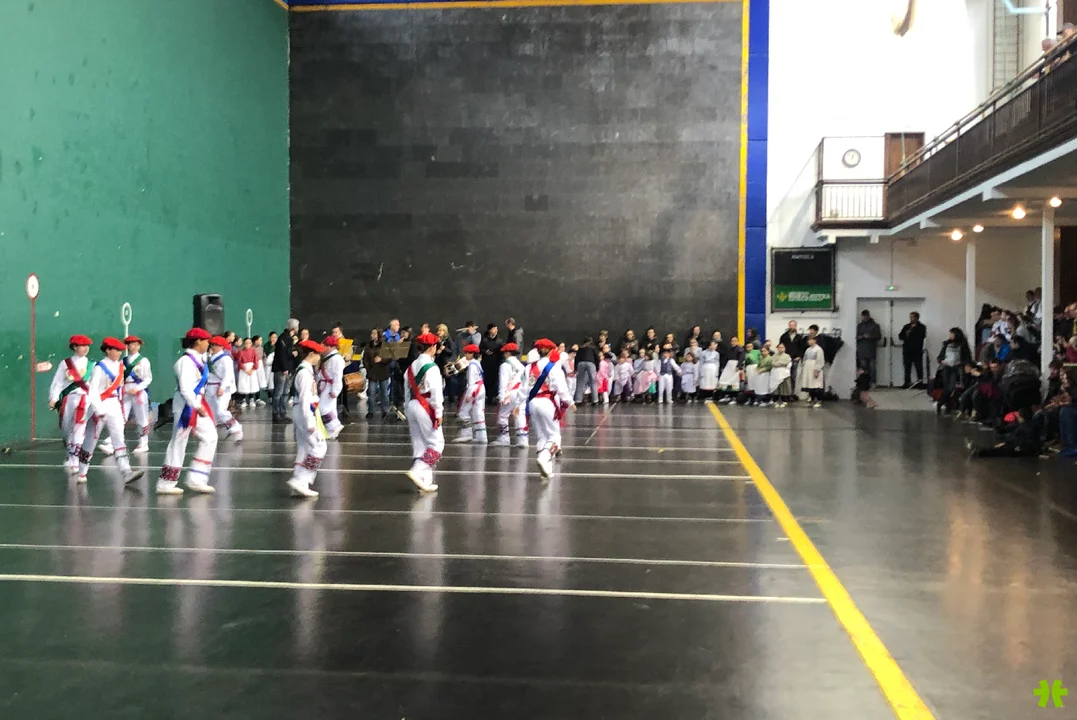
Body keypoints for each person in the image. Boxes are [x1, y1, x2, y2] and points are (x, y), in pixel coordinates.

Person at [75, 337, 145, 485]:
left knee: (119, 438)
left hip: (115, 405)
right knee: (91, 439)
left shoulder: (120, 367)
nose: (119, 353)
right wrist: (98, 409)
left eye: (120, 350)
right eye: (116, 350)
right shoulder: (99, 367)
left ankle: (126, 472)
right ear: (107, 350)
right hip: (101, 404)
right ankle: (82, 471)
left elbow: (120, 388)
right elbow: (93, 390)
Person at [157, 328, 219, 496]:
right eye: (206, 341)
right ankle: (166, 483)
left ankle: (197, 477)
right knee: (179, 441)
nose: (208, 344)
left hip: (196, 402)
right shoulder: (185, 361)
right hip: (187, 405)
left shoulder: (199, 359)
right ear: (198, 341)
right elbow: (185, 388)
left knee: (210, 436)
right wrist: (196, 405)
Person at [526, 338, 574, 479]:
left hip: (532, 402)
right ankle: (544, 457)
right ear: (550, 351)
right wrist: (570, 402)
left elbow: (524, 388)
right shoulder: (554, 367)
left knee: (542, 435)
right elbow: (561, 388)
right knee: (554, 435)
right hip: (547, 402)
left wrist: (518, 405)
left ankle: (547, 468)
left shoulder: (529, 367)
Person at [98, 335, 153, 457]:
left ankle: (143, 443)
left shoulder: (144, 360)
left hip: (139, 391)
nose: (135, 347)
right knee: (121, 417)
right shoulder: (122, 362)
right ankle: (113, 442)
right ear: (127, 346)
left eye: (137, 344)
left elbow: (148, 378)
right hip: (125, 390)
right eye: (132, 344)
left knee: (142, 417)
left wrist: (138, 388)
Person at [287, 339, 328, 498]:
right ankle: (302, 479)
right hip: (305, 412)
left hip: (302, 411)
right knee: (319, 446)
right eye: (318, 354)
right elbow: (305, 398)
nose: (319, 358)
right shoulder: (304, 372)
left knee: (304, 447)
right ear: (311, 354)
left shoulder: (304, 370)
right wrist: (310, 420)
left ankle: (299, 480)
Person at [402, 333, 443, 492]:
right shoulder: (432, 367)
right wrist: (438, 412)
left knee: (419, 443)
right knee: (437, 443)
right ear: (432, 347)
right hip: (426, 406)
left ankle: (425, 480)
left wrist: (406, 407)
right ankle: (418, 470)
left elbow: (407, 389)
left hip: (412, 404)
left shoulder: (411, 366)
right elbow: (436, 392)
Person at [49, 334, 94, 474]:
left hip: (85, 399)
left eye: (87, 346)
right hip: (68, 399)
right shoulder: (65, 363)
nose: (85, 348)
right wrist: (53, 398)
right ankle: (70, 452)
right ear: (74, 347)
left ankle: (75, 460)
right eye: (82, 346)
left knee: (79, 428)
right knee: (66, 427)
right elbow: (58, 382)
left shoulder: (92, 364)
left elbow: (95, 385)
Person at [206, 335, 243, 443]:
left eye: (215, 345)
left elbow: (228, 375)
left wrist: (222, 387)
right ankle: (211, 433)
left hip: (221, 387)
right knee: (211, 412)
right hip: (209, 387)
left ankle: (236, 429)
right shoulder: (210, 357)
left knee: (221, 410)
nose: (212, 346)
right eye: (212, 344)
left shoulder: (226, 359)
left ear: (221, 346)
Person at [494, 342, 528, 446]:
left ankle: (503, 438)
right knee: (519, 415)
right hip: (520, 393)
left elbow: (503, 382)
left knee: (503, 415)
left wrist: (501, 396)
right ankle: (523, 440)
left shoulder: (505, 365)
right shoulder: (521, 365)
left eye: (505, 352)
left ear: (508, 353)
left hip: (510, 393)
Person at [454, 344, 488, 443]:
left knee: (463, 411)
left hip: (474, 389)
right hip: (481, 388)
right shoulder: (477, 363)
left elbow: (471, 382)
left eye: (467, 353)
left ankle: (466, 434)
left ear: (472, 354)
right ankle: (481, 436)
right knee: (478, 412)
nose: (465, 355)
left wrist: (469, 394)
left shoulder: (472, 365)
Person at [936, 328, 972, 414]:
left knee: (951, 387)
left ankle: (942, 403)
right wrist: (941, 361)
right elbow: (940, 356)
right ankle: (945, 404)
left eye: (952, 334)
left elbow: (967, 358)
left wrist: (962, 363)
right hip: (946, 367)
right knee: (946, 387)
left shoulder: (962, 345)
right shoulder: (946, 344)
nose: (950, 335)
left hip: (956, 368)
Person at [318, 335, 346, 439]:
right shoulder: (329, 357)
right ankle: (332, 431)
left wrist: (335, 390)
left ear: (331, 347)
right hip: (325, 384)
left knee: (322, 408)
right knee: (330, 408)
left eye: (325, 346)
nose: (323, 348)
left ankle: (335, 425)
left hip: (330, 386)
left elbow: (338, 376)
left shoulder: (337, 359)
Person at [272, 319, 299, 423]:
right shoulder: (284, 338)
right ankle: (276, 413)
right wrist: (285, 368)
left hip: (286, 368)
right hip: (282, 369)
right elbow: (282, 354)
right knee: (279, 392)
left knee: (284, 392)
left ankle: (282, 413)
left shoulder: (287, 338)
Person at [362, 328, 391, 419]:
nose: (372, 335)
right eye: (372, 333)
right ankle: (371, 411)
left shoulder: (384, 345)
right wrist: (368, 368)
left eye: (374, 333)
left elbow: (389, 358)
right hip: (372, 372)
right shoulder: (369, 346)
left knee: (384, 393)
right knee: (371, 392)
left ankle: (385, 410)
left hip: (383, 372)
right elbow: (365, 359)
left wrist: (382, 360)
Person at [898, 312, 927, 388]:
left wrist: (913, 330)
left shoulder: (922, 327)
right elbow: (900, 336)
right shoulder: (906, 326)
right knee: (907, 368)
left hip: (917, 350)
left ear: (917, 318)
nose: (911, 319)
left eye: (913, 317)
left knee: (919, 368)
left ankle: (920, 383)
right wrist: (907, 333)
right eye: (910, 317)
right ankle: (907, 383)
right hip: (907, 350)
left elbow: (922, 336)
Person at [856, 310, 882, 385]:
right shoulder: (859, 326)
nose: (864, 318)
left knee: (872, 368)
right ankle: (864, 383)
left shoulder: (875, 325)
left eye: (866, 316)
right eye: (863, 316)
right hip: (861, 351)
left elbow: (879, 336)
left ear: (869, 316)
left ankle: (872, 382)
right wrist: (860, 337)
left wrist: (870, 336)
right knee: (863, 368)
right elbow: (855, 336)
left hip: (871, 350)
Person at [480, 323, 503, 404]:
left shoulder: (500, 341)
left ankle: (493, 397)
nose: (495, 330)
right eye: (493, 329)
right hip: (486, 364)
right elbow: (480, 349)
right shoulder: (484, 340)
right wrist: (485, 351)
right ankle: (488, 397)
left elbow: (501, 352)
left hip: (496, 364)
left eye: (496, 329)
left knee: (494, 381)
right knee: (487, 381)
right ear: (489, 330)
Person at [716, 336, 744, 404]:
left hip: (735, 366)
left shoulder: (740, 349)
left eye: (735, 341)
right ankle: (726, 395)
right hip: (729, 366)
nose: (733, 342)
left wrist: (738, 366)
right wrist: (723, 366)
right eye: (732, 341)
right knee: (725, 380)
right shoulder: (730, 349)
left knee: (733, 381)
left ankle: (734, 397)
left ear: (737, 342)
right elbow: (726, 358)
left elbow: (741, 358)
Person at [801, 334, 826, 408]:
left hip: (814, 367)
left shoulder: (818, 349)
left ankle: (818, 400)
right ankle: (811, 399)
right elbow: (805, 359)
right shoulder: (808, 349)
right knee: (810, 384)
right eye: (808, 340)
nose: (809, 341)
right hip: (808, 368)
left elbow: (820, 360)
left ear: (814, 341)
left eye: (810, 340)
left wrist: (817, 370)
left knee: (816, 384)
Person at [574, 337, 600, 405]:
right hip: (591, 363)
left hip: (580, 363)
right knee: (593, 382)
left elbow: (576, 358)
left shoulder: (580, 348)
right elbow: (597, 358)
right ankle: (595, 400)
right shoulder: (593, 347)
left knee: (580, 382)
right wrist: (597, 367)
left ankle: (578, 400)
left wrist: (575, 368)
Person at [235, 337, 259, 408]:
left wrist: (253, 369)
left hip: (252, 369)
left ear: (251, 343)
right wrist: (245, 369)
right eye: (246, 343)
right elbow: (239, 362)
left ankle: (252, 399)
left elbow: (256, 361)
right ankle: (244, 400)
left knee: (252, 384)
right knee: (244, 384)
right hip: (244, 370)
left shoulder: (253, 351)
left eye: (249, 343)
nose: (248, 344)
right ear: (244, 344)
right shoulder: (240, 352)